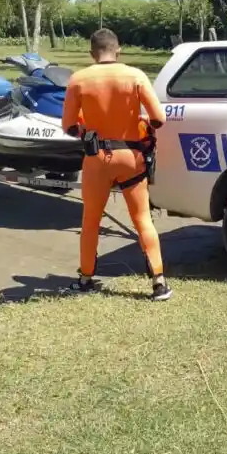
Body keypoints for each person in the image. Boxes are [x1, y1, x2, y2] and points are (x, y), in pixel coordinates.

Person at [61, 28, 172, 301]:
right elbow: (159, 119)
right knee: (142, 219)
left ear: (92, 53)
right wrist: (141, 126)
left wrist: (88, 129)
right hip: (131, 158)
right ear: (118, 49)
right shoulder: (135, 76)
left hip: (97, 159)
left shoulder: (79, 79)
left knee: (90, 220)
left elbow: (69, 126)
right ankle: (159, 282)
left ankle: (86, 278)